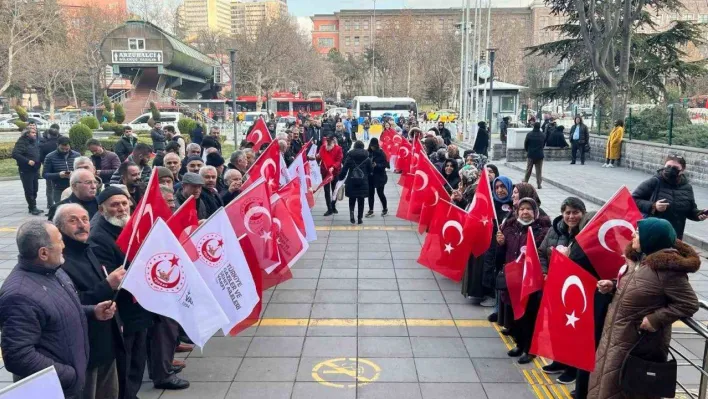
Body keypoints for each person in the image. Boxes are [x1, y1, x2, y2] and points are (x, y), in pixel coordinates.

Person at [0, 220, 116, 399]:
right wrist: (68, 375)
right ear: (43, 253)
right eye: (59, 241)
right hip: (56, 389)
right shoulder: (19, 296)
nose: (63, 245)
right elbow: (18, 355)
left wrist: (92, 311)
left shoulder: (53, 270)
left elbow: (57, 310)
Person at [588, 218, 700, 399]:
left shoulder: (667, 270)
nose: (632, 234)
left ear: (652, 238)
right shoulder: (640, 260)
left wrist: (656, 319)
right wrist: (614, 285)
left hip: (636, 345)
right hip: (614, 338)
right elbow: (640, 288)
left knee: (621, 391)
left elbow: (688, 303)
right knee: (603, 385)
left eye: (638, 232)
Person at [53, 204, 125, 399]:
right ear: (59, 227)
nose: (82, 225)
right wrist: (107, 285)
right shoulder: (60, 260)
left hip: (106, 340)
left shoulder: (88, 248)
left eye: (85, 219)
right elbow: (71, 302)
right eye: (73, 220)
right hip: (85, 348)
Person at [89, 187, 154, 399]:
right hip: (122, 310)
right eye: (115, 205)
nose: (121, 208)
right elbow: (112, 276)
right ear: (101, 209)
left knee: (138, 357)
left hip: (139, 306)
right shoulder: (99, 236)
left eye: (124, 204)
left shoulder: (128, 225)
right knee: (125, 362)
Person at [538, 197, 587, 385]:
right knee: (557, 326)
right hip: (555, 286)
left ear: (582, 213)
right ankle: (559, 360)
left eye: (576, 212)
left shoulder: (585, 235)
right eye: (567, 212)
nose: (571, 216)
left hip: (576, 291)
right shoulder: (554, 229)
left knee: (573, 329)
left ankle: (572, 368)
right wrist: (544, 271)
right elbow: (542, 252)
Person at [496, 197, 549, 364]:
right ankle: (519, 344)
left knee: (529, 315)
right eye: (522, 209)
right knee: (514, 313)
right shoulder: (510, 228)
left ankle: (529, 349)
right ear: (517, 211)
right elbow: (501, 253)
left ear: (535, 212)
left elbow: (541, 254)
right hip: (513, 279)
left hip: (530, 281)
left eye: (529, 209)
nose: (525, 212)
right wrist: (501, 243)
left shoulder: (541, 231)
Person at [632, 155, 707, 239]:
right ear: (664, 166)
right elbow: (633, 199)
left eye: (675, 167)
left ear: (682, 170)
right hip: (652, 234)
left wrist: (698, 215)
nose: (671, 169)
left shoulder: (687, 187)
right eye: (668, 166)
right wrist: (653, 206)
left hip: (675, 236)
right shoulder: (654, 181)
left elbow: (690, 210)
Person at [470, 175, 514, 314]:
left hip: (507, 245)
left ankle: (496, 296)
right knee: (489, 266)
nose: (500, 190)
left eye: (503, 187)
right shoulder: (491, 203)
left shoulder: (515, 205)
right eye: (497, 187)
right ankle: (488, 293)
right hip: (491, 242)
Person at [338, 140, 372, 224]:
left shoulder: (350, 156)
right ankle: (360, 218)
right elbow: (370, 170)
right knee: (361, 200)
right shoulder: (367, 157)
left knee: (352, 199)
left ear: (354, 146)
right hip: (363, 181)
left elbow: (345, 168)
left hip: (351, 181)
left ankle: (352, 215)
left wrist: (340, 177)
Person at [12, 126, 43, 215]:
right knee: (29, 189)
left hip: (35, 169)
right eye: (33, 133)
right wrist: (27, 161)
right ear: (27, 134)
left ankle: (33, 206)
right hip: (25, 170)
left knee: (35, 189)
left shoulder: (34, 142)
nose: (35, 134)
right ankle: (32, 207)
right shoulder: (22, 142)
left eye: (35, 133)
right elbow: (15, 154)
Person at [43, 136, 81, 205]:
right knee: (61, 208)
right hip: (59, 188)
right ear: (57, 145)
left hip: (75, 187)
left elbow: (82, 170)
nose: (64, 151)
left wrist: (74, 174)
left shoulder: (77, 155)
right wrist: (59, 175)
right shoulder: (50, 157)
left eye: (67, 149)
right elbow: (45, 174)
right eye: (62, 149)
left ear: (70, 145)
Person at [318, 133, 343, 216]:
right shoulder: (323, 147)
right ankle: (329, 208)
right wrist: (317, 156)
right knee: (326, 190)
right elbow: (319, 157)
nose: (327, 142)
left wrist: (333, 167)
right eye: (326, 140)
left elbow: (339, 161)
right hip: (325, 172)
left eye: (329, 140)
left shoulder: (338, 148)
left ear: (333, 140)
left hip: (335, 172)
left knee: (334, 190)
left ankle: (333, 206)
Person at [365, 138, 389, 218]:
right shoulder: (368, 153)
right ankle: (371, 210)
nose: (372, 148)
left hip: (380, 176)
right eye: (371, 146)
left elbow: (385, 165)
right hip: (370, 177)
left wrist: (377, 165)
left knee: (380, 193)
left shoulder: (381, 153)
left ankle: (385, 208)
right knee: (370, 194)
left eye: (374, 146)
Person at [40, 127, 62, 208]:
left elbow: (40, 158)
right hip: (62, 169)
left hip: (49, 170)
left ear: (48, 135)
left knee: (49, 189)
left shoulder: (44, 145)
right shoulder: (62, 144)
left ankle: (50, 205)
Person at [523, 122, 545, 189]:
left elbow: (526, 144)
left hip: (531, 154)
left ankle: (525, 182)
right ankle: (539, 184)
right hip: (539, 154)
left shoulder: (529, 134)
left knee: (528, 169)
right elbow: (543, 144)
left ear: (533, 126)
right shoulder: (542, 135)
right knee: (539, 170)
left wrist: (528, 150)